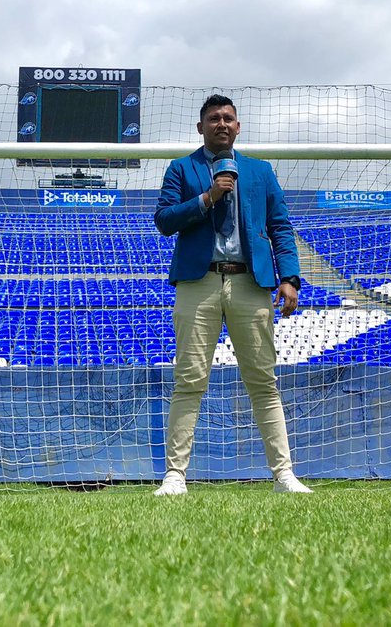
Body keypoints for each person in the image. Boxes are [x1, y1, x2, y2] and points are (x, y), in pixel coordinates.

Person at [153, 94, 312, 495]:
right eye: (213, 119)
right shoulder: (181, 168)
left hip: (249, 283)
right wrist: (208, 197)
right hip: (198, 282)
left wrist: (290, 277)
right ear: (200, 127)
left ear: (238, 127)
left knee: (263, 381)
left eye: (228, 119)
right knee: (189, 379)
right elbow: (164, 220)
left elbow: (280, 226)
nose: (221, 124)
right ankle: (175, 476)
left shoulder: (259, 172)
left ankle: (284, 476)